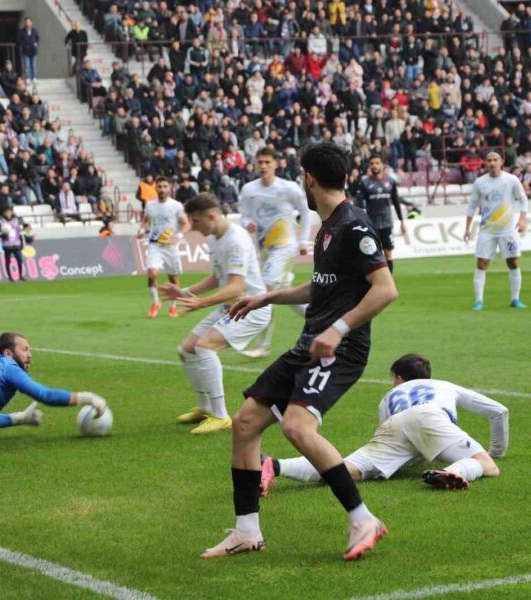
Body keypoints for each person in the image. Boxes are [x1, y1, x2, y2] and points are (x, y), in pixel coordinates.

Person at [201, 142, 398, 561]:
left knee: (297, 428)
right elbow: (321, 285)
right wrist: (266, 298)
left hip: (339, 350)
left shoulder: (354, 226)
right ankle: (246, 531)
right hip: (310, 344)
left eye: (300, 175)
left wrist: (340, 329)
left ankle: (363, 518)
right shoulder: (328, 227)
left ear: (308, 178)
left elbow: (386, 290)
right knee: (245, 423)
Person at [260, 353, 508, 495]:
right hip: (432, 416)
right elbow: (499, 411)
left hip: (394, 426)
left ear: (399, 378)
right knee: (487, 464)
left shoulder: (388, 398)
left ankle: (277, 465)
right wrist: (494, 452)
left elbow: (404, 443)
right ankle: (456, 472)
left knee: (345, 471)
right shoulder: (444, 385)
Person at [160, 193, 272, 434]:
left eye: (196, 222)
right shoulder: (214, 238)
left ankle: (221, 416)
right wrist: (183, 292)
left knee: (204, 346)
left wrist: (199, 303)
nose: (193, 228)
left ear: (211, 216)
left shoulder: (237, 240)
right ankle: (205, 408)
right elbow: (217, 278)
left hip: (253, 308)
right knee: (187, 349)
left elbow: (236, 287)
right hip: (233, 306)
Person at [0, 332, 108, 461]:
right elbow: (45, 395)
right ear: (8, 352)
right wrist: (88, 398)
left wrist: (19, 419)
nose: (29, 355)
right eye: (24, 349)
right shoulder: (8, 366)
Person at [238, 147, 312, 358]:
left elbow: (306, 211)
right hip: (265, 250)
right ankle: (325, 321)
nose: (263, 166)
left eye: (267, 162)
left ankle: (263, 346)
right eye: (259, 162)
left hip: (285, 247)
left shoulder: (288, 188)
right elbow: (243, 215)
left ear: (276, 164)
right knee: (286, 294)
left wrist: (303, 240)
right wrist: (247, 222)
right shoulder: (249, 190)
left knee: (265, 291)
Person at [464, 151, 528, 311]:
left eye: (495, 160)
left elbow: (522, 198)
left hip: (508, 230)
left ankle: (515, 299)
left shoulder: (511, 180)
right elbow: (472, 206)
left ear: (501, 162)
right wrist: (467, 228)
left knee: (513, 262)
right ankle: (478, 301)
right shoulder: (480, 182)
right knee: (482, 263)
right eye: (489, 160)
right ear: (485, 163)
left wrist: (522, 219)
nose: (492, 163)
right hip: (487, 230)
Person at [136, 177, 189, 319]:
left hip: (170, 247)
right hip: (155, 245)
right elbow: (145, 220)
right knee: (152, 273)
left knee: (173, 278)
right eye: (159, 186)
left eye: (165, 186)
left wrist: (177, 237)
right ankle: (155, 303)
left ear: (170, 188)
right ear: (155, 188)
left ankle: (173, 306)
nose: (162, 189)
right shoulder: (150, 205)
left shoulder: (176, 205)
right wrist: (141, 231)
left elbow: (186, 224)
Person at [355, 153, 406, 273]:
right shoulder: (365, 183)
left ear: (382, 165)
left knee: (388, 254)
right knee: (372, 254)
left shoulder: (391, 182)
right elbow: (359, 204)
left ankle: (389, 282)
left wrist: (402, 221)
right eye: (372, 163)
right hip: (371, 225)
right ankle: (376, 282)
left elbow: (396, 202)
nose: (374, 166)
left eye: (377, 163)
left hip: (387, 223)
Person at [0, 206, 30, 282]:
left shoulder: (17, 220)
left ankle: (20, 276)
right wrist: (2, 235)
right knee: (8, 261)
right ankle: (10, 277)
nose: (7, 213)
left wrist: (27, 228)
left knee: (19, 259)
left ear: (11, 212)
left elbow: (23, 228)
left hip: (16, 243)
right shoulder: (1, 221)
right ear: (3, 213)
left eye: (9, 211)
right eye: (6, 212)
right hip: (7, 244)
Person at [17, 17, 40, 84]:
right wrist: (24, 45)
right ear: (25, 23)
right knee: (27, 66)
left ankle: (34, 77)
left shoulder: (34, 30)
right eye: (26, 22)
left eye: (29, 22)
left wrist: (36, 43)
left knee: (33, 65)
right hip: (26, 51)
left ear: (31, 23)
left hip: (33, 50)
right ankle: (28, 78)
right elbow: (19, 40)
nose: (28, 23)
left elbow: (37, 38)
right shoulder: (22, 31)